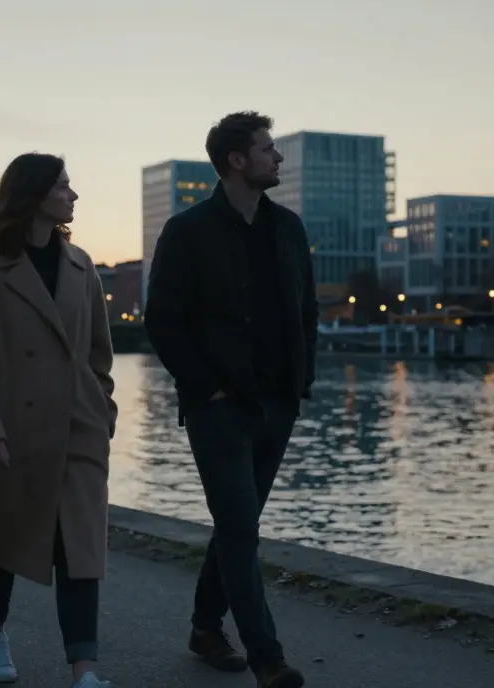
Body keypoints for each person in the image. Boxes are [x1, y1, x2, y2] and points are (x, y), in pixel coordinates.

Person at [144, 112, 317, 688]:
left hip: (278, 404)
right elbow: (163, 323)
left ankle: (204, 627)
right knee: (241, 528)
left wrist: (300, 382)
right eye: (268, 149)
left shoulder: (288, 228)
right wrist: (205, 387)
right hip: (219, 407)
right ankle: (268, 659)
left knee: (235, 525)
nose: (278, 158)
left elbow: (306, 311)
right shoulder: (187, 231)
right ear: (237, 160)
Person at [0, 152, 118, 688]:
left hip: (77, 430)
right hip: (8, 431)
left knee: (80, 549)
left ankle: (84, 666)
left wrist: (102, 411)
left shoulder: (82, 265)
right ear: (35, 194)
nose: (73, 195)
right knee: (0, 540)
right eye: (64, 186)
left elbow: (98, 355)